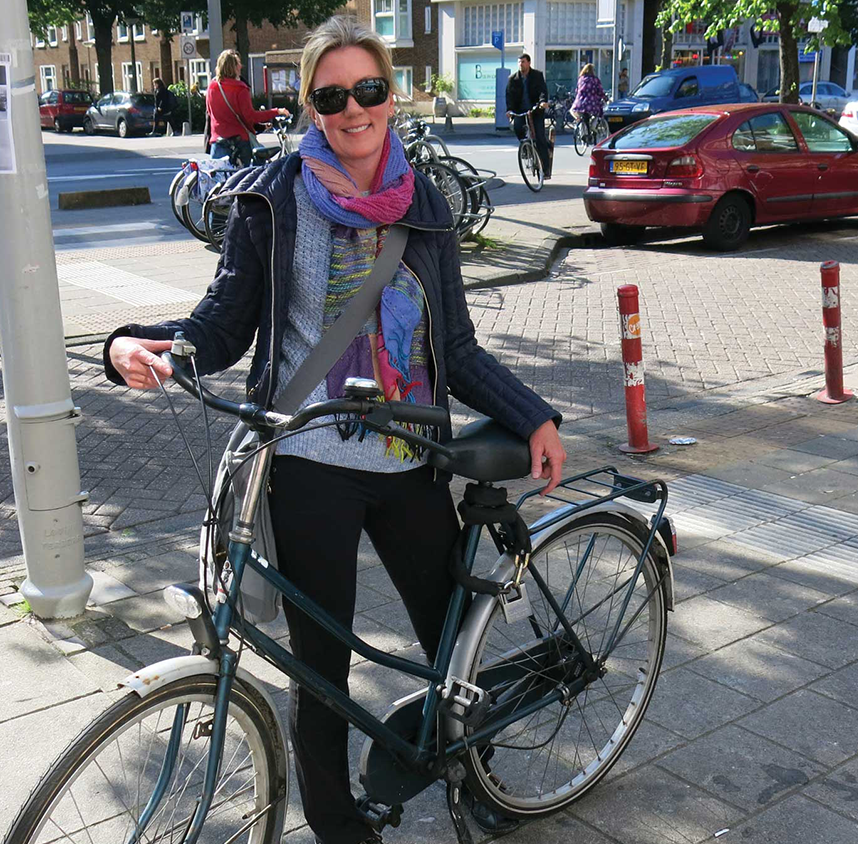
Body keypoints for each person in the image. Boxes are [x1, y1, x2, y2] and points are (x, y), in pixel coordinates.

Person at [104, 16, 565, 844]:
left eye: (369, 90)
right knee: (321, 668)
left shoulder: (423, 202)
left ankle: (477, 774)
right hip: (309, 458)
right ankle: (338, 827)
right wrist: (138, 344)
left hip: (412, 453)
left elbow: (452, 345)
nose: (354, 109)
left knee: (452, 644)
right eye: (333, 95)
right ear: (312, 105)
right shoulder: (274, 195)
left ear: (391, 96)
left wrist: (533, 415)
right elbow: (224, 323)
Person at [205, 49, 288, 166]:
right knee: (244, 178)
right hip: (239, 142)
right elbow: (250, 116)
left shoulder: (212, 87)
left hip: (218, 141)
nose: (241, 66)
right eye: (238, 63)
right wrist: (276, 111)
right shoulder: (240, 89)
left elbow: (209, 112)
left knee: (219, 177)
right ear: (234, 67)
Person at [504, 53, 552, 179]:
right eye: (519, 62)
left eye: (523, 62)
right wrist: (509, 110)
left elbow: (542, 91)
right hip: (520, 111)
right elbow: (509, 96)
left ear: (529, 63)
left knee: (539, 137)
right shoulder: (512, 79)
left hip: (535, 110)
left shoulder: (537, 75)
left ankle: (545, 168)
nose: (521, 64)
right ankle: (526, 149)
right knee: (518, 128)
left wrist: (542, 102)